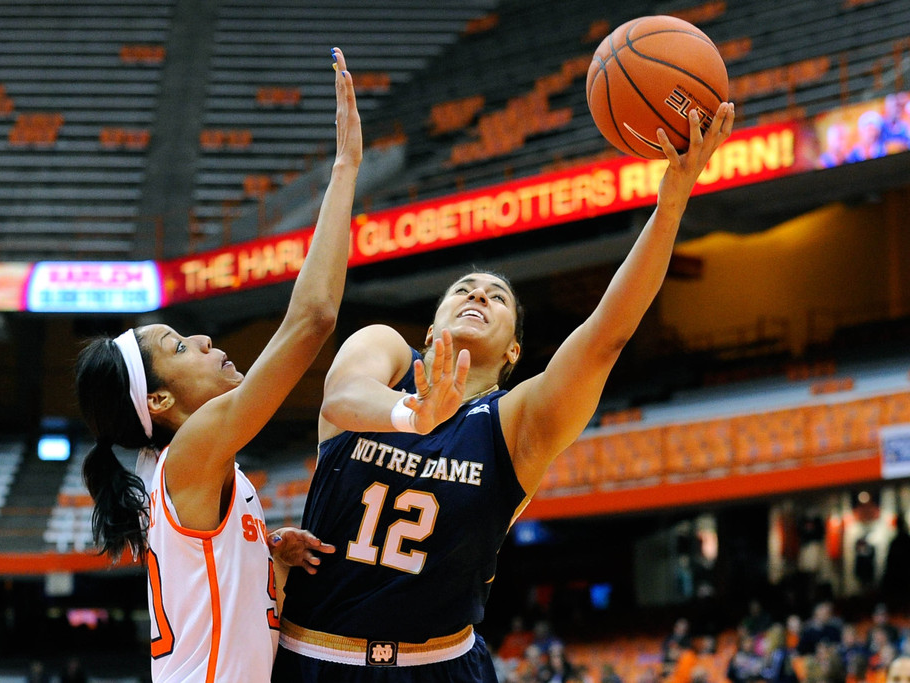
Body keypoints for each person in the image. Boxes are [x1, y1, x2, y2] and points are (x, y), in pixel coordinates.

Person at [271, 102, 735, 682]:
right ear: (433, 327)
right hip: (320, 657)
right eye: (463, 289)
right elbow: (339, 398)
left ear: (513, 351)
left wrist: (671, 203)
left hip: (441, 665)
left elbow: (605, 338)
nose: (477, 296)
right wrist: (413, 413)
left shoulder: (514, 423)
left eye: (496, 298)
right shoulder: (385, 353)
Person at [73, 47, 361, 683]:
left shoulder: (190, 471)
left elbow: (233, 625)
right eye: (179, 347)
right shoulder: (190, 455)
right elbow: (311, 321)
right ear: (159, 403)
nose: (203, 339)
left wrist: (270, 563)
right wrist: (344, 170)